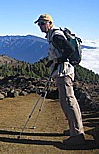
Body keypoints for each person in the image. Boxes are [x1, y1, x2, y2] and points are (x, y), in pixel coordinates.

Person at [34, 14, 85, 146]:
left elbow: (70, 49)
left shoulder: (56, 35)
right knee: (66, 101)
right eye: (39, 24)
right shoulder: (52, 36)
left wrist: (60, 60)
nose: (40, 26)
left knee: (68, 101)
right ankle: (74, 129)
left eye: (42, 23)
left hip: (64, 73)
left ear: (50, 23)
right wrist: (52, 62)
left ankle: (78, 135)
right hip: (61, 71)